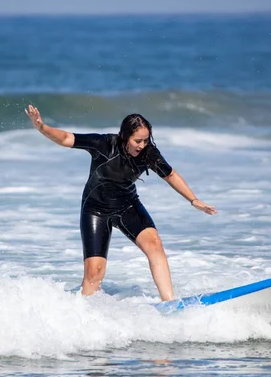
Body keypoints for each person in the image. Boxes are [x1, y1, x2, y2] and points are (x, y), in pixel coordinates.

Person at [24, 105, 217, 301]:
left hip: (127, 205)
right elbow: (66, 138)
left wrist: (193, 200)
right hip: (95, 211)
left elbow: (170, 175)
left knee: (154, 245)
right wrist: (42, 128)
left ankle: (170, 302)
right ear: (125, 136)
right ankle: (83, 314)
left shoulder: (149, 153)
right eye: (137, 141)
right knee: (94, 273)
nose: (142, 145)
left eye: (146, 140)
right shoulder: (104, 144)